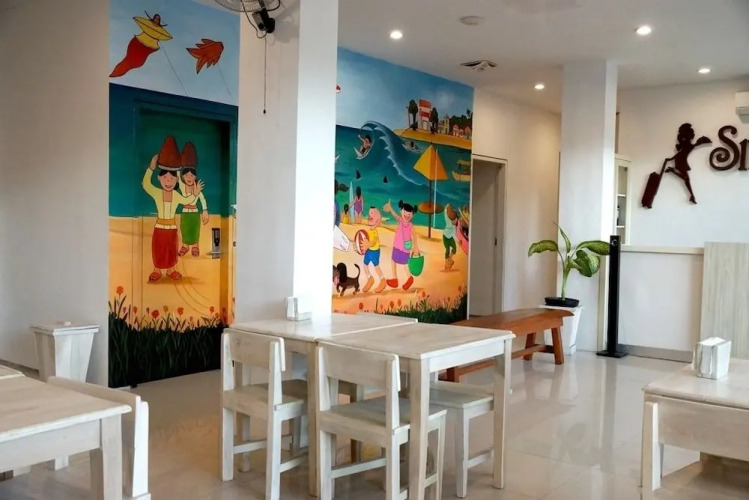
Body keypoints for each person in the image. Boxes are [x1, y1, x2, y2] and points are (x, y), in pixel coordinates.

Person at [143, 137, 203, 282]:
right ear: (159, 179)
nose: (168, 181)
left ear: (177, 180)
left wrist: (195, 194)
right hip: (159, 228)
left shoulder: (176, 195)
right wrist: (150, 168)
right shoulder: (157, 193)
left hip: (172, 228)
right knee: (158, 249)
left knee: (171, 248)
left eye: (172, 178)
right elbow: (145, 184)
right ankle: (157, 270)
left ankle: (171, 270)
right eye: (165, 178)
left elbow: (187, 201)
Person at [664, 123, 711, 204]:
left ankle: (692, 196)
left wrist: (671, 159)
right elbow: (679, 154)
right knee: (686, 179)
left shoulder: (688, 146)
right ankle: (691, 196)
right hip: (680, 161)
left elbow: (680, 153)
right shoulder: (688, 146)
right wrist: (670, 159)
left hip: (681, 160)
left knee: (686, 179)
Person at [177, 142, 209, 257]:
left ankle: (195, 246)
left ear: (195, 176)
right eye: (186, 175)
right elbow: (177, 174)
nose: (189, 178)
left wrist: (205, 210)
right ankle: (185, 246)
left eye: (191, 175)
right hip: (185, 212)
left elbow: (202, 199)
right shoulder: (182, 186)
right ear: (183, 177)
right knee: (185, 229)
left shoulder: (197, 187)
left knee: (195, 230)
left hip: (195, 213)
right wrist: (179, 163)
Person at [383, 199, 420, 290]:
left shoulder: (410, 225)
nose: (407, 216)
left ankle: (409, 278)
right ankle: (395, 279)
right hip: (397, 246)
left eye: (409, 214)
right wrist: (390, 209)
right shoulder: (400, 220)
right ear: (401, 211)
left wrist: (415, 246)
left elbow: (414, 235)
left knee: (405, 263)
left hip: (405, 247)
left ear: (412, 215)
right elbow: (395, 215)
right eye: (405, 213)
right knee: (393, 260)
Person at [361, 207, 387, 293]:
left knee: (376, 267)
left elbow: (373, 242)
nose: (369, 216)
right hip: (368, 251)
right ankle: (370, 278)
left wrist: (368, 244)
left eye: (372, 214)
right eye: (369, 214)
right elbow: (365, 240)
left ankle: (382, 280)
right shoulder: (368, 231)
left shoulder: (375, 231)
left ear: (377, 220)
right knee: (365, 265)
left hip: (375, 252)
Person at [443, 203, 458, 270]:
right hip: (445, 238)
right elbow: (445, 215)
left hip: (450, 238)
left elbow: (454, 235)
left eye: (455, 220)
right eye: (454, 220)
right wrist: (446, 208)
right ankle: (446, 264)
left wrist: (458, 241)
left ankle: (450, 258)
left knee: (454, 249)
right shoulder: (448, 221)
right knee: (447, 250)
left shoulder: (454, 227)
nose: (454, 221)